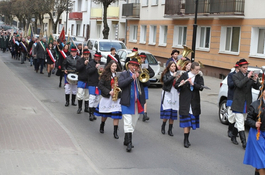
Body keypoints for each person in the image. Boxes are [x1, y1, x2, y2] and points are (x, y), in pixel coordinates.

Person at [118, 57, 147, 152]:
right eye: (133, 65)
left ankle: (126, 140)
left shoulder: (140, 75)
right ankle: (129, 143)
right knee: (128, 123)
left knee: (133, 124)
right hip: (126, 102)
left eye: (136, 66)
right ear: (129, 65)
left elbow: (148, 82)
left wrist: (141, 76)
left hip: (137, 103)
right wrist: (131, 78)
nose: (134, 67)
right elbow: (121, 84)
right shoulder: (124, 74)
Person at [231, 59, 260, 149]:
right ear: (239, 68)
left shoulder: (249, 76)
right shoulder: (235, 76)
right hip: (238, 102)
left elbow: (256, 87)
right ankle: (244, 143)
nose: (245, 69)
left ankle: (233, 135)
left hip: (247, 103)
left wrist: (255, 79)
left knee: (241, 121)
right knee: (240, 122)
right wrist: (247, 77)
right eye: (244, 67)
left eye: (246, 67)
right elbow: (239, 85)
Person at [175, 62, 204, 148]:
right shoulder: (185, 75)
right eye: (196, 69)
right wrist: (181, 84)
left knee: (191, 122)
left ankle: (187, 137)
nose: (198, 71)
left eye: (199, 69)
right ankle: (185, 140)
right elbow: (176, 85)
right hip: (185, 100)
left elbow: (201, 87)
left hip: (194, 101)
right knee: (186, 121)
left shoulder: (198, 77)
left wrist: (193, 84)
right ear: (191, 69)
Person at [94, 60, 122, 139]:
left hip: (116, 98)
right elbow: (100, 85)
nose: (114, 68)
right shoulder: (105, 74)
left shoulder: (119, 74)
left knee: (116, 115)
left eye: (115, 66)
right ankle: (102, 124)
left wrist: (119, 85)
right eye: (113, 66)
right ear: (110, 66)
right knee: (105, 114)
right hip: (108, 97)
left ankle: (115, 132)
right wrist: (109, 92)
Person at [244, 89, 265, 175]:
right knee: (262, 160)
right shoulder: (255, 104)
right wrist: (255, 123)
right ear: (263, 92)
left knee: (259, 160)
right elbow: (248, 119)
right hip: (257, 134)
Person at [160, 61, 179, 136]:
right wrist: (173, 77)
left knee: (173, 112)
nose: (173, 68)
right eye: (172, 66)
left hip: (175, 94)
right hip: (167, 94)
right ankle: (163, 125)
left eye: (174, 66)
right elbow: (166, 81)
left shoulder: (178, 74)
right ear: (169, 67)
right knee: (167, 111)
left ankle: (170, 129)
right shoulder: (166, 74)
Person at [87, 51, 104, 121]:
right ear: (94, 57)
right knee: (92, 98)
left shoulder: (102, 64)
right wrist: (95, 67)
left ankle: (93, 113)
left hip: (99, 83)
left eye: (99, 57)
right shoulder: (90, 63)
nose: (98, 58)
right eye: (96, 57)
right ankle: (90, 114)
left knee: (97, 99)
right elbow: (88, 71)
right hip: (92, 83)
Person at [139, 52, 155, 121]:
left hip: (144, 83)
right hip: (138, 83)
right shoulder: (136, 65)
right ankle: (137, 112)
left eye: (144, 58)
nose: (143, 59)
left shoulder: (146, 65)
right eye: (141, 58)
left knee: (144, 99)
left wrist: (147, 75)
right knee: (137, 99)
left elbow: (152, 73)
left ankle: (145, 114)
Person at [227, 61, 240, 138]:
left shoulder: (242, 76)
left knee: (237, 116)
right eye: (238, 68)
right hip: (232, 97)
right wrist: (236, 79)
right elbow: (230, 85)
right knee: (231, 115)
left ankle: (234, 131)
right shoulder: (231, 75)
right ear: (236, 68)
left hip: (238, 99)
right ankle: (230, 130)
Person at [76, 49, 90, 114]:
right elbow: (78, 69)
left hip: (88, 80)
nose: (86, 56)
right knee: (80, 94)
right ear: (83, 55)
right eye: (85, 54)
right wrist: (84, 64)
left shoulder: (91, 61)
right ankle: (79, 108)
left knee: (87, 95)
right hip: (81, 79)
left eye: (87, 55)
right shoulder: (79, 60)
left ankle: (86, 108)